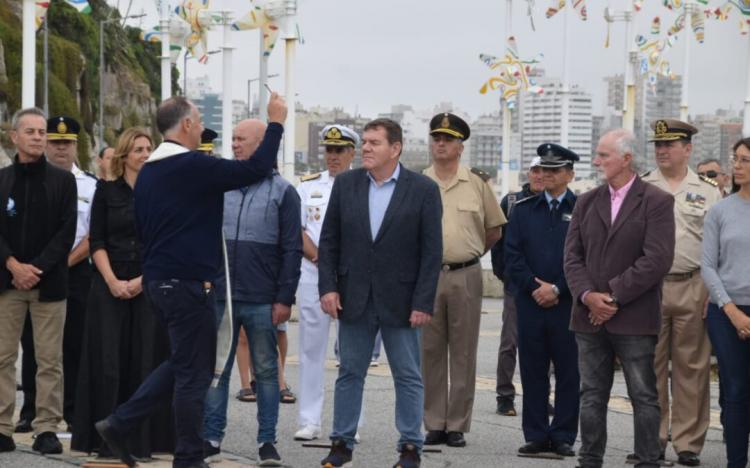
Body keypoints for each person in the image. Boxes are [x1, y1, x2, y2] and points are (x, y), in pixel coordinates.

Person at [94, 94, 287, 468]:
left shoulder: (149, 171)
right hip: (187, 285)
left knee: (185, 365)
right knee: (192, 378)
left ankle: (122, 423)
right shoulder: (191, 165)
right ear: (185, 125)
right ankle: (186, 456)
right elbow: (256, 169)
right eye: (198, 122)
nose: (201, 129)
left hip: (159, 284)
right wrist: (276, 123)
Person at [317, 118, 442, 468]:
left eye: (374, 143)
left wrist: (422, 301)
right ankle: (341, 444)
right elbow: (329, 242)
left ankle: (410, 447)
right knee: (349, 372)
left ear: (395, 148)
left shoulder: (422, 190)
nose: (366, 148)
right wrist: (328, 287)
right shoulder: (346, 185)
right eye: (366, 142)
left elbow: (432, 253)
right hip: (354, 296)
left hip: (403, 302)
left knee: (408, 375)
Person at [564, 128, 675, 468]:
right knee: (592, 394)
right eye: (597, 155)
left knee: (643, 395)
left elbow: (656, 259)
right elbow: (572, 257)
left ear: (626, 159)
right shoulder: (586, 201)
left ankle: (647, 460)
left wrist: (611, 298)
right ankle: (590, 459)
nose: (596, 161)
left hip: (634, 317)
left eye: (603, 155)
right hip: (588, 316)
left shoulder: (656, 201)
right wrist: (587, 296)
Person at [202, 118, 302, 465]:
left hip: (263, 298)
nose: (234, 144)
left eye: (241, 139)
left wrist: (284, 298)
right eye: (232, 138)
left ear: (262, 144)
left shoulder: (284, 192)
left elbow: (291, 249)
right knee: (217, 370)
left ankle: (267, 442)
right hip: (222, 296)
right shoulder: (220, 187)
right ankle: (211, 437)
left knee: (267, 373)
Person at [72, 127, 174, 458]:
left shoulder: (160, 193)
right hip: (108, 283)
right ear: (124, 155)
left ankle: (142, 441)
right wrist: (113, 281)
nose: (145, 154)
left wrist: (141, 281)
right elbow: (97, 241)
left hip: (148, 284)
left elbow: (163, 244)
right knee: (109, 362)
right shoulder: (105, 191)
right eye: (138, 149)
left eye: (148, 149)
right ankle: (105, 439)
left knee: (145, 359)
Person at [421, 112, 505, 448]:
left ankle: (456, 424)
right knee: (430, 351)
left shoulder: (478, 183)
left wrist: (467, 254)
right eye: (436, 138)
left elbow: (494, 231)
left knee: (463, 353)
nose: (440, 144)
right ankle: (434, 422)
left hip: (466, 274)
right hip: (427, 275)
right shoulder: (419, 183)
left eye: (447, 139)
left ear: (460, 146)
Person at [642, 119, 722, 467]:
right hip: (650, 289)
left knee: (692, 368)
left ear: (687, 149)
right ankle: (653, 440)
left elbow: (717, 248)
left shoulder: (708, 191)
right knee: (650, 369)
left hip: (693, 285)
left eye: (669, 145)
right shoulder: (641, 187)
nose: (662, 151)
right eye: (658, 145)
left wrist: (711, 290)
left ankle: (688, 443)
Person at [0, 107, 77, 454]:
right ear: (14, 137)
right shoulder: (1, 180)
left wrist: (35, 270)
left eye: (41, 132)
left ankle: (46, 426)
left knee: (49, 360)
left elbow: (66, 233)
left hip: (49, 285)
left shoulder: (63, 181)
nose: (37, 137)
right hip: (7, 282)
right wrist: (13, 265)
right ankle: (2, 426)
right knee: (2, 358)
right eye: (29, 132)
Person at [504, 143, 579, 458]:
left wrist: (559, 289)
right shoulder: (522, 209)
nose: (547, 175)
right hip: (531, 302)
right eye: (543, 169)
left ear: (570, 174)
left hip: (568, 304)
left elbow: (584, 258)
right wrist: (536, 287)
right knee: (532, 371)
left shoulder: (583, 209)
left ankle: (563, 435)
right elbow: (512, 255)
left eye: (555, 170)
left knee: (568, 372)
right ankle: (535, 434)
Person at [295, 124, 359, 441]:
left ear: (352, 153)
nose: (333, 156)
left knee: (352, 353)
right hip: (314, 275)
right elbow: (298, 231)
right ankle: (310, 420)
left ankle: (349, 423)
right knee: (310, 350)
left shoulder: (364, 187)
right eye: (329, 150)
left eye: (339, 150)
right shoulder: (307, 188)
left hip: (352, 277)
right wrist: (323, 262)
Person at [46, 116, 98, 429]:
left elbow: (94, 234)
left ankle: (73, 410)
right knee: (38, 346)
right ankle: (33, 413)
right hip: (37, 271)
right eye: (55, 142)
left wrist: (63, 263)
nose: (61, 149)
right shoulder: (34, 181)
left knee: (75, 341)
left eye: (67, 143)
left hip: (77, 272)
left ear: (76, 145)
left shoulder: (91, 185)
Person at [702, 137, 750, 468]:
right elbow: (707, 265)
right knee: (735, 389)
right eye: (735, 159)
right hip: (726, 312)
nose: (737, 165)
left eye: (745, 159)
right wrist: (731, 310)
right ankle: (735, 462)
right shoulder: (720, 210)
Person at [491, 156, 544, 416]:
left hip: (546, 288)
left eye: (544, 171)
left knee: (543, 346)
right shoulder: (512, 202)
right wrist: (506, 276)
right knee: (510, 342)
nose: (538, 175)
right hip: (516, 285)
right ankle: (505, 395)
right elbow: (498, 245)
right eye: (535, 170)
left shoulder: (560, 204)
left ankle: (541, 397)